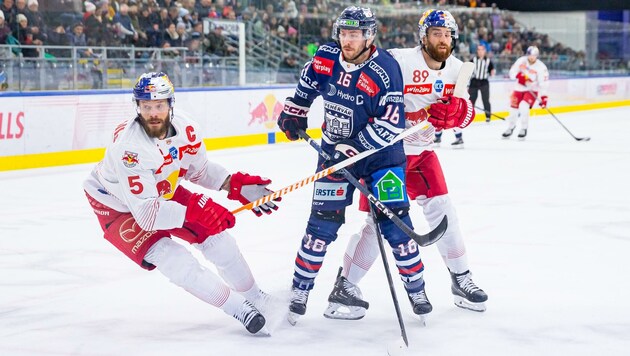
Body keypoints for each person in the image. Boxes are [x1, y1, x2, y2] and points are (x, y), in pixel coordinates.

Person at [83, 72, 280, 335]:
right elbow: (148, 216)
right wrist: (198, 210)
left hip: (161, 190)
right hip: (115, 205)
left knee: (220, 241)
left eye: (159, 106)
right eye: (146, 106)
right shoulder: (130, 149)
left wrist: (232, 184)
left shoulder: (187, 129)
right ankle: (239, 308)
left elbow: (197, 171)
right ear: (138, 106)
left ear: (171, 105)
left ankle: (256, 297)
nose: (153, 113)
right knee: (173, 259)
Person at [324, 9, 487, 323]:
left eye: (448, 34)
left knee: (445, 214)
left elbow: (465, 115)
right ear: (423, 36)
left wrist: (458, 114)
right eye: (437, 33)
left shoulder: (457, 70)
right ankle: (345, 286)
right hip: (386, 157)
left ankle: (461, 279)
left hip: (423, 156)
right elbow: (363, 87)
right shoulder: (398, 60)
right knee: (377, 228)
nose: (443, 39)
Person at [276, 6, 423, 325]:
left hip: (383, 156)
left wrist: (355, 149)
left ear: (369, 36)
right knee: (321, 224)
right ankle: (300, 289)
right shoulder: (325, 56)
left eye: (354, 34)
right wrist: (295, 112)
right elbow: (307, 85)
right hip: (333, 152)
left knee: (396, 224)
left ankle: (416, 289)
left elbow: (392, 122)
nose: (348, 40)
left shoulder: (386, 68)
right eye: (344, 33)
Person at [502, 45, 549, 139]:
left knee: (524, 107)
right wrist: (519, 76)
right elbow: (512, 73)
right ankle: (511, 127)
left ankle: (524, 128)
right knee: (513, 110)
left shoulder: (541, 67)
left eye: (534, 55)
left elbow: (543, 83)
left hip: (532, 90)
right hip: (518, 89)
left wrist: (544, 97)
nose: (531, 57)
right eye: (530, 55)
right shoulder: (521, 61)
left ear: (537, 56)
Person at [469, 44, 495, 123]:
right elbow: (468, 71)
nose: (480, 51)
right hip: (474, 81)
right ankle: (468, 116)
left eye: (482, 50)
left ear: (484, 51)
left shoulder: (488, 61)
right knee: (471, 100)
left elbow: (492, 71)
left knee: (486, 100)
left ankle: (488, 116)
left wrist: (492, 72)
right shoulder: (473, 60)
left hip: (484, 82)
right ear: (477, 51)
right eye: (479, 50)